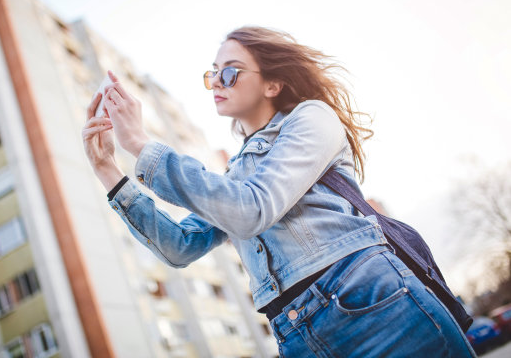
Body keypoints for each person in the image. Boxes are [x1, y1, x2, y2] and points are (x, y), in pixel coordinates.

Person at [82, 26, 476, 357]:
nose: (216, 82)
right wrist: (109, 171)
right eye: (213, 73)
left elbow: (253, 208)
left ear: (273, 82)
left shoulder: (312, 117)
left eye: (231, 72)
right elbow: (180, 246)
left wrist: (141, 144)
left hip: (370, 304)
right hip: (294, 333)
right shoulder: (234, 174)